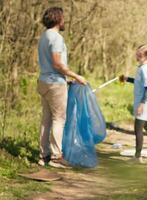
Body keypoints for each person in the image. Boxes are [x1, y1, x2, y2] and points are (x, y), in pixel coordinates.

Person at [37, 7, 87, 168]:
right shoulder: (56, 38)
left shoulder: (44, 36)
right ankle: (56, 157)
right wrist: (75, 76)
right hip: (55, 83)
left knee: (46, 120)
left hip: (43, 81)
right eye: (63, 18)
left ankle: (43, 156)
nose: (64, 21)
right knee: (58, 119)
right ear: (58, 19)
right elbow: (57, 63)